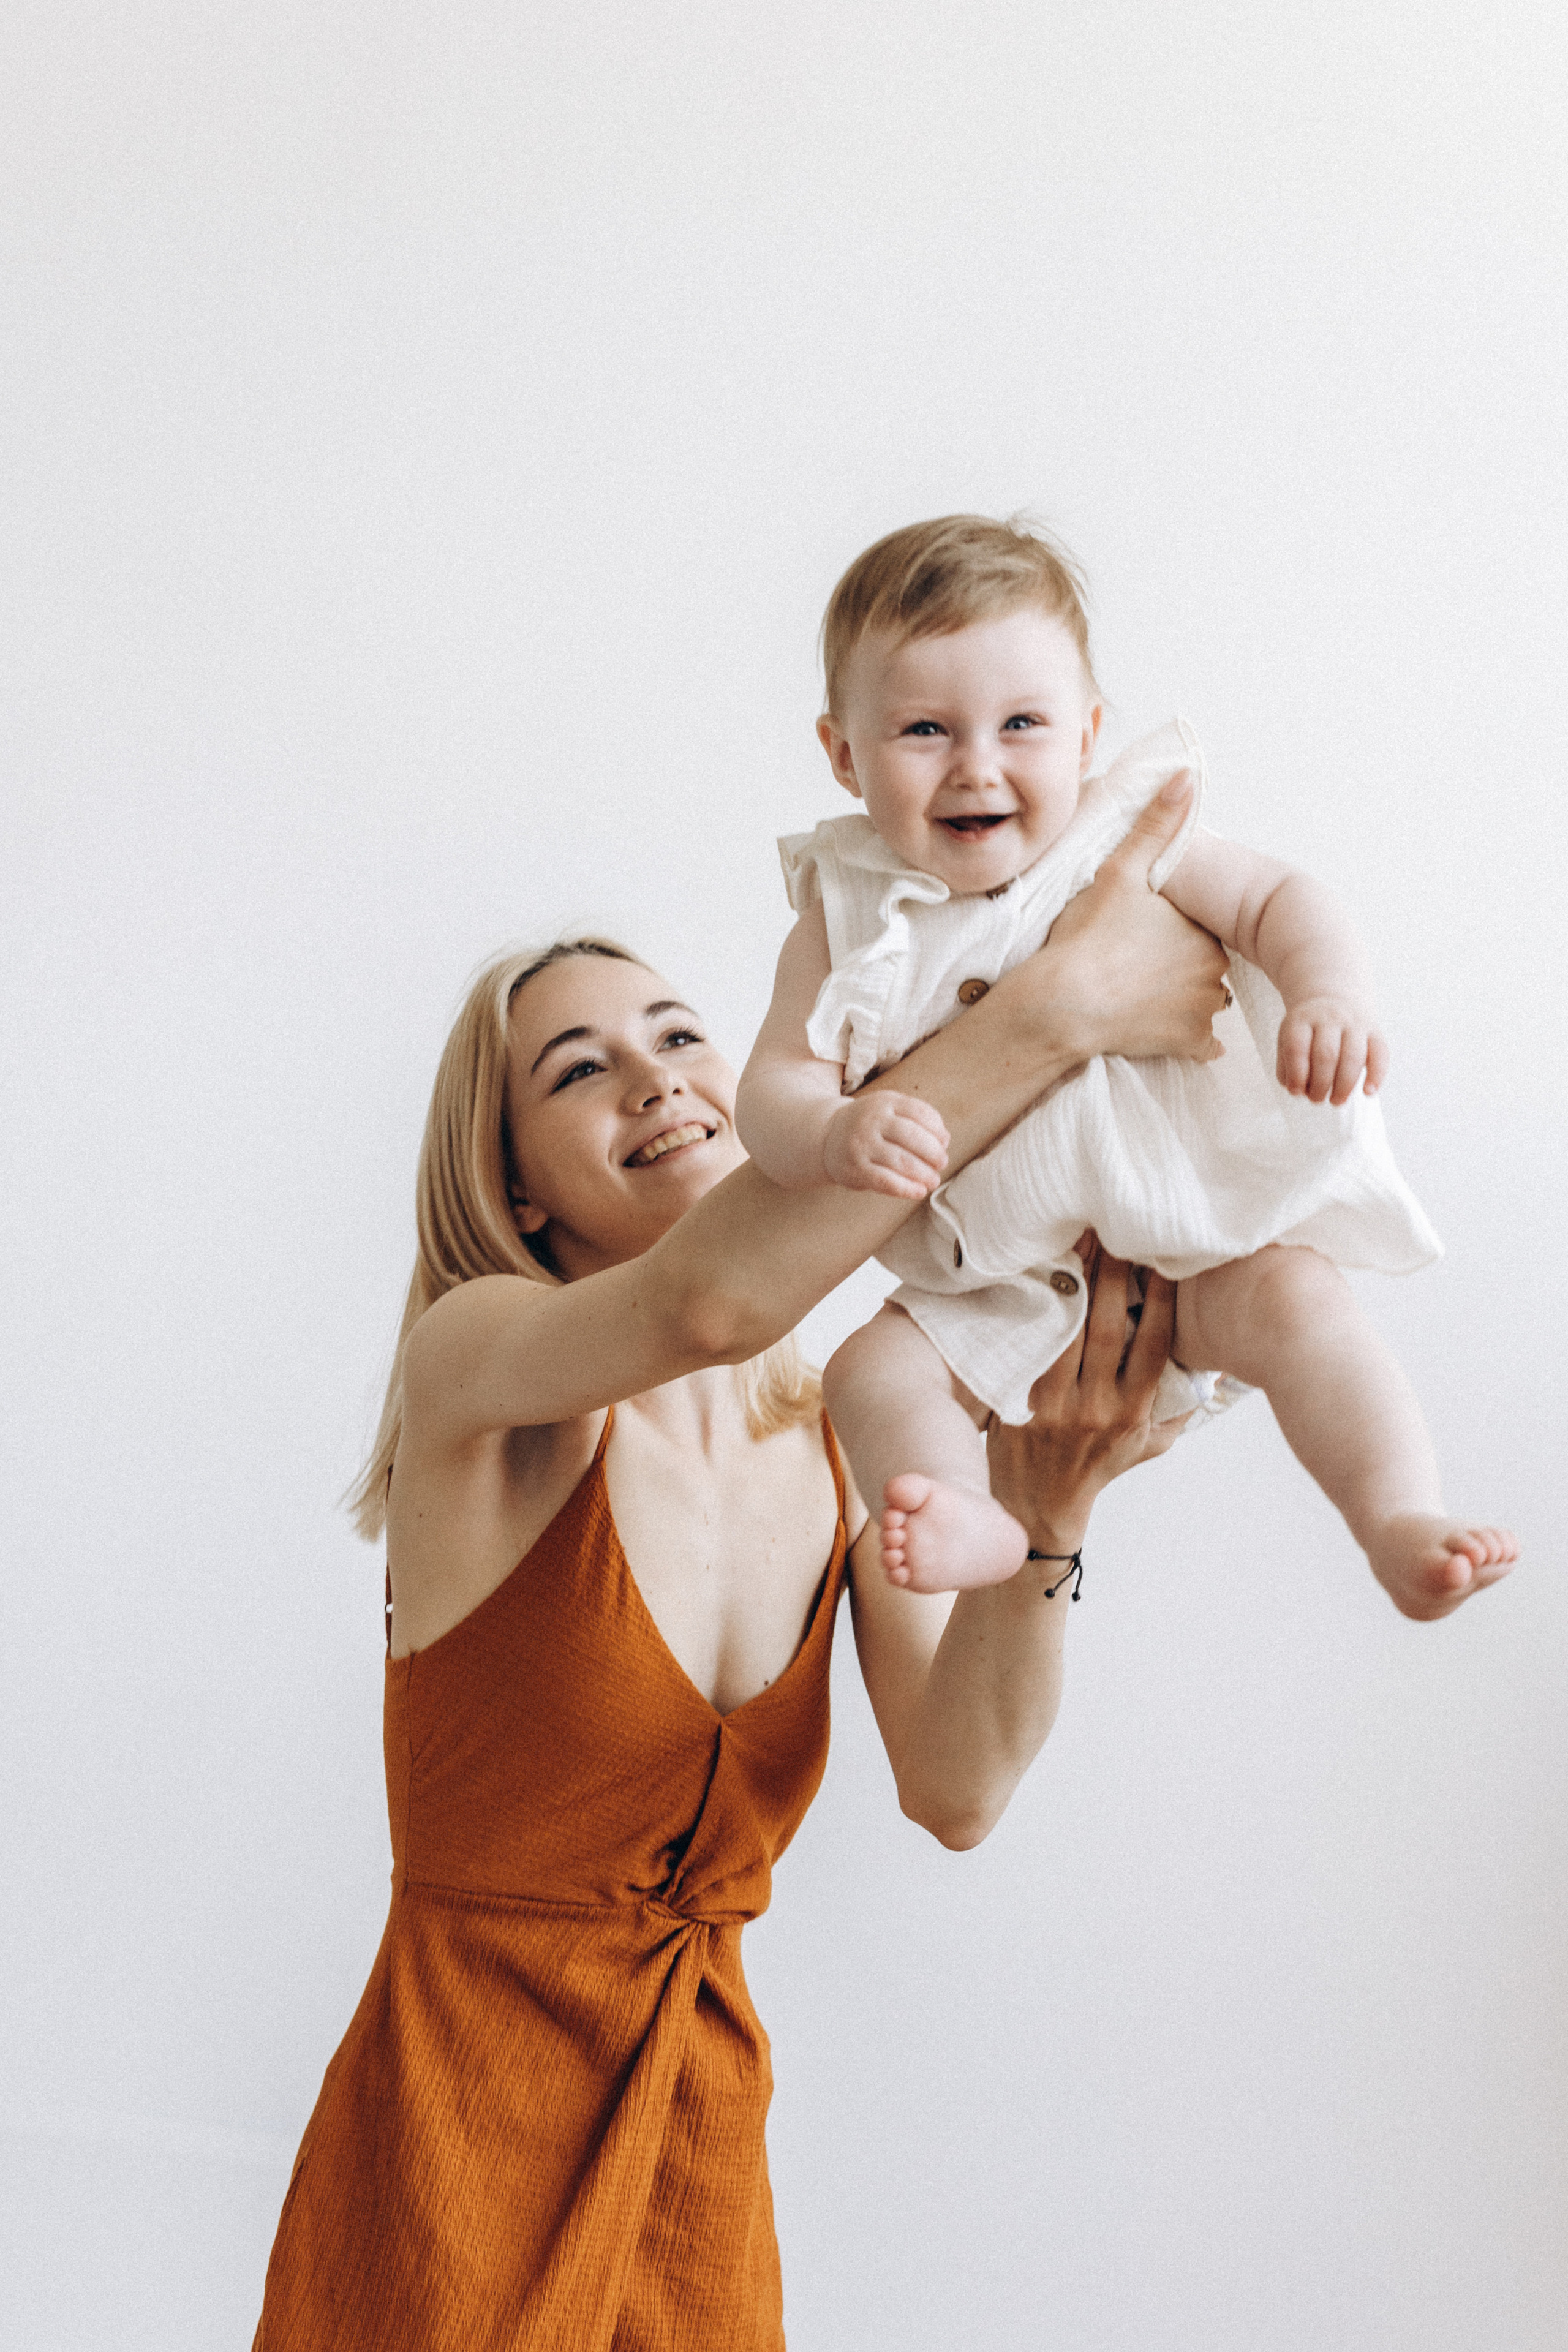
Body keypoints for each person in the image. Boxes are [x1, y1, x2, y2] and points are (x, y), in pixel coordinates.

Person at [252, 807, 1231, 2352]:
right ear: (515, 1189)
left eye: (680, 1033)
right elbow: (711, 1298)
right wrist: (1055, 1011)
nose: (654, 1081)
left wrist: (1046, 1516)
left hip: (694, 2150)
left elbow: (959, 1785)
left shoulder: (842, 1423)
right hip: (456, 2148)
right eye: (578, 1071)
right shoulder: (479, 1373)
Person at [737, 514, 1518, 1614]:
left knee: (1302, 1301)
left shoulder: (1121, 834)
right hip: (994, 1281)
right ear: (843, 753)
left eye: (1022, 724)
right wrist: (827, 1131)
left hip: (1191, 1250)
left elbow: (1280, 899)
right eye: (924, 729)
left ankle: (1396, 1516)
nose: (977, 766)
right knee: (870, 1374)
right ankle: (969, 1512)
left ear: (1089, 733)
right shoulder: (841, 914)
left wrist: (1329, 994)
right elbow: (770, 1087)